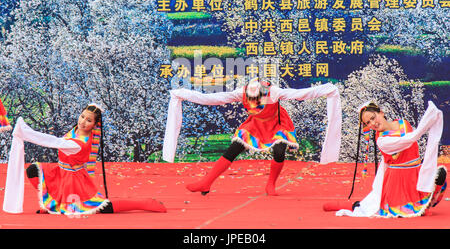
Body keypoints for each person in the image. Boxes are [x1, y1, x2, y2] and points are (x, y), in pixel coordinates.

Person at [163, 79, 342, 196]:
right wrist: (183, 95)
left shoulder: (274, 92)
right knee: (233, 148)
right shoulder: (240, 92)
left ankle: (270, 184)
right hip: (256, 124)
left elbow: (302, 93)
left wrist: (327, 90)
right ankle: (206, 183)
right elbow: (213, 98)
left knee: (279, 150)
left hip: (277, 123)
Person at [3, 104, 166, 215]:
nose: (82, 122)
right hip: (60, 172)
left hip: (74, 180)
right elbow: (91, 111)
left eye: (88, 120)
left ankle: (143, 203)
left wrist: (25, 131)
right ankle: (50, 204)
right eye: (82, 117)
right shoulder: (77, 130)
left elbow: (52, 141)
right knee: (32, 170)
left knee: (102, 208)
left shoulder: (79, 144)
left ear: (95, 125)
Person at [326, 100, 447, 218]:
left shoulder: (403, 123)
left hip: (415, 172)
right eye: (368, 123)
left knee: (434, 180)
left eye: (373, 118)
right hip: (399, 180)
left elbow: (411, 139)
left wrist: (430, 121)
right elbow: (409, 140)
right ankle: (427, 201)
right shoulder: (382, 141)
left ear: (381, 113)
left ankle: (429, 198)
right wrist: (427, 121)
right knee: (407, 209)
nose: (372, 123)